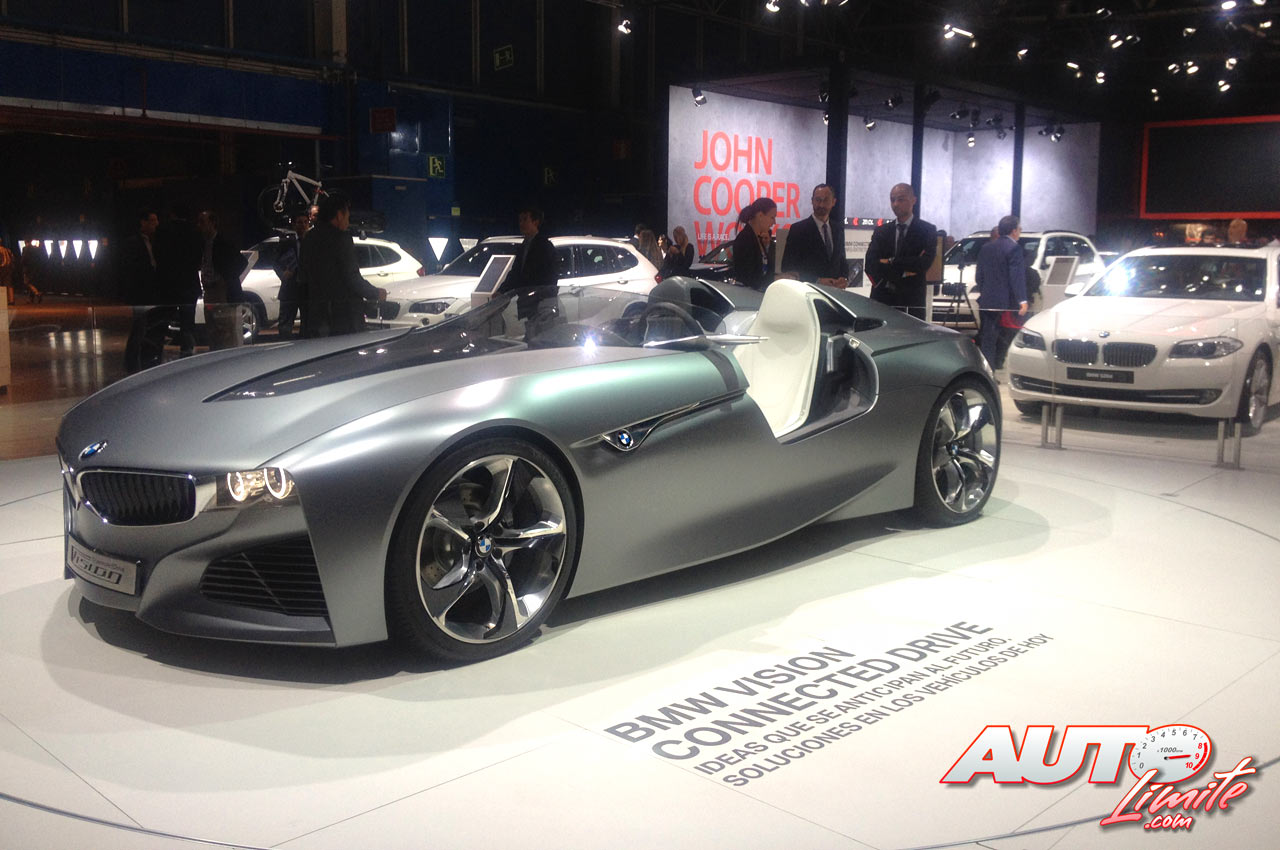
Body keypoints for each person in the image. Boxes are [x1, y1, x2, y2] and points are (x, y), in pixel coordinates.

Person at [299, 190, 387, 338]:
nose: (347, 221)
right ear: (339, 215)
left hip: (316, 316)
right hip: (343, 317)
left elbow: (302, 276)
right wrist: (375, 293)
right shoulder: (341, 239)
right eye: (347, 216)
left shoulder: (309, 238)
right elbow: (351, 277)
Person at [865, 183, 937, 319]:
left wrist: (890, 261)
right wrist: (905, 271)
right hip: (882, 298)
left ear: (913, 200)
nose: (895, 204)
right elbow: (870, 264)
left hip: (912, 301)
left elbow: (923, 264)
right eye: (892, 200)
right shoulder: (882, 231)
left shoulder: (927, 230)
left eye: (901, 199)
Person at [497, 205, 560, 340]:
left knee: (540, 338)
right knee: (533, 336)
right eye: (520, 220)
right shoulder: (524, 246)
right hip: (529, 301)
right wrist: (502, 292)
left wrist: (541, 296)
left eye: (525, 219)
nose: (521, 224)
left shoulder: (545, 246)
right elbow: (516, 273)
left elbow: (551, 275)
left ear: (535, 222)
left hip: (540, 302)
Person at [974, 214, 1028, 370]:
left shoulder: (986, 248)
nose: (1020, 231)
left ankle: (986, 371)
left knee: (987, 339)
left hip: (987, 300)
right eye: (1019, 229)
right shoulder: (1014, 248)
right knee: (1005, 338)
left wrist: (986, 291)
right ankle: (997, 367)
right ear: (1014, 231)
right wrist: (1022, 300)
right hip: (1006, 303)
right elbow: (1016, 277)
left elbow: (979, 276)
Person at [120, 208, 165, 371]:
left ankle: (142, 361)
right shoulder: (134, 243)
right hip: (140, 293)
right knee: (139, 328)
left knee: (145, 328)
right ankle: (132, 363)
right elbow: (132, 269)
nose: (156, 224)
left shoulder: (154, 242)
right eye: (152, 221)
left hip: (151, 292)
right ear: (143, 222)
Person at [779, 183, 849, 288]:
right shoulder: (798, 229)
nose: (821, 205)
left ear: (833, 202)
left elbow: (841, 260)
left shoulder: (838, 229)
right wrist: (817, 281)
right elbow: (787, 267)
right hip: (808, 290)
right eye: (818, 200)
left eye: (826, 200)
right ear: (812, 201)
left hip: (834, 292)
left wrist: (844, 278)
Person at [154, 205, 202, 355]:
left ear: (172, 215)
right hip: (189, 284)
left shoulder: (163, 231)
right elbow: (199, 257)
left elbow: (158, 255)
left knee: (163, 321)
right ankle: (187, 351)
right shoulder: (194, 232)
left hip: (168, 284)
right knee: (188, 322)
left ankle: (156, 352)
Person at [196, 210, 248, 350]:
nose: (199, 226)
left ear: (212, 223)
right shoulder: (204, 244)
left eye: (203, 222)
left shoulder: (223, 242)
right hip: (209, 291)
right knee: (212, 330)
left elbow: (242, 262)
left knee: (227, 331)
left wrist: (226, 279)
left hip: (222, 292)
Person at [273, 212, 310, 339]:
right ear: (294, 225)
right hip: (289, 288)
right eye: (299, 222)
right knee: (285, 327)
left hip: (307, 290)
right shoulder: (286, 242)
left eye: (305, 222)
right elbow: (275, 262)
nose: (303, 225)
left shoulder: (312, 242)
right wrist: (283, 274)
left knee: (307, 327)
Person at [731, 197, 777, 291]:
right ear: (760, 216)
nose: (774, 222)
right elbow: (749, 277)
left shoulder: (759, 239)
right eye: (772, 217)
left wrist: (768, 246)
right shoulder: (744, 240)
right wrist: (776, 279)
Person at [0, 237, 14, 306]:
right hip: (8, 268)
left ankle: (2, 300)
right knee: (9, 284)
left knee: (1, 284)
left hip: (1, 268)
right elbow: (13, 258)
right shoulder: (8, 250)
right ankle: (11, 300)